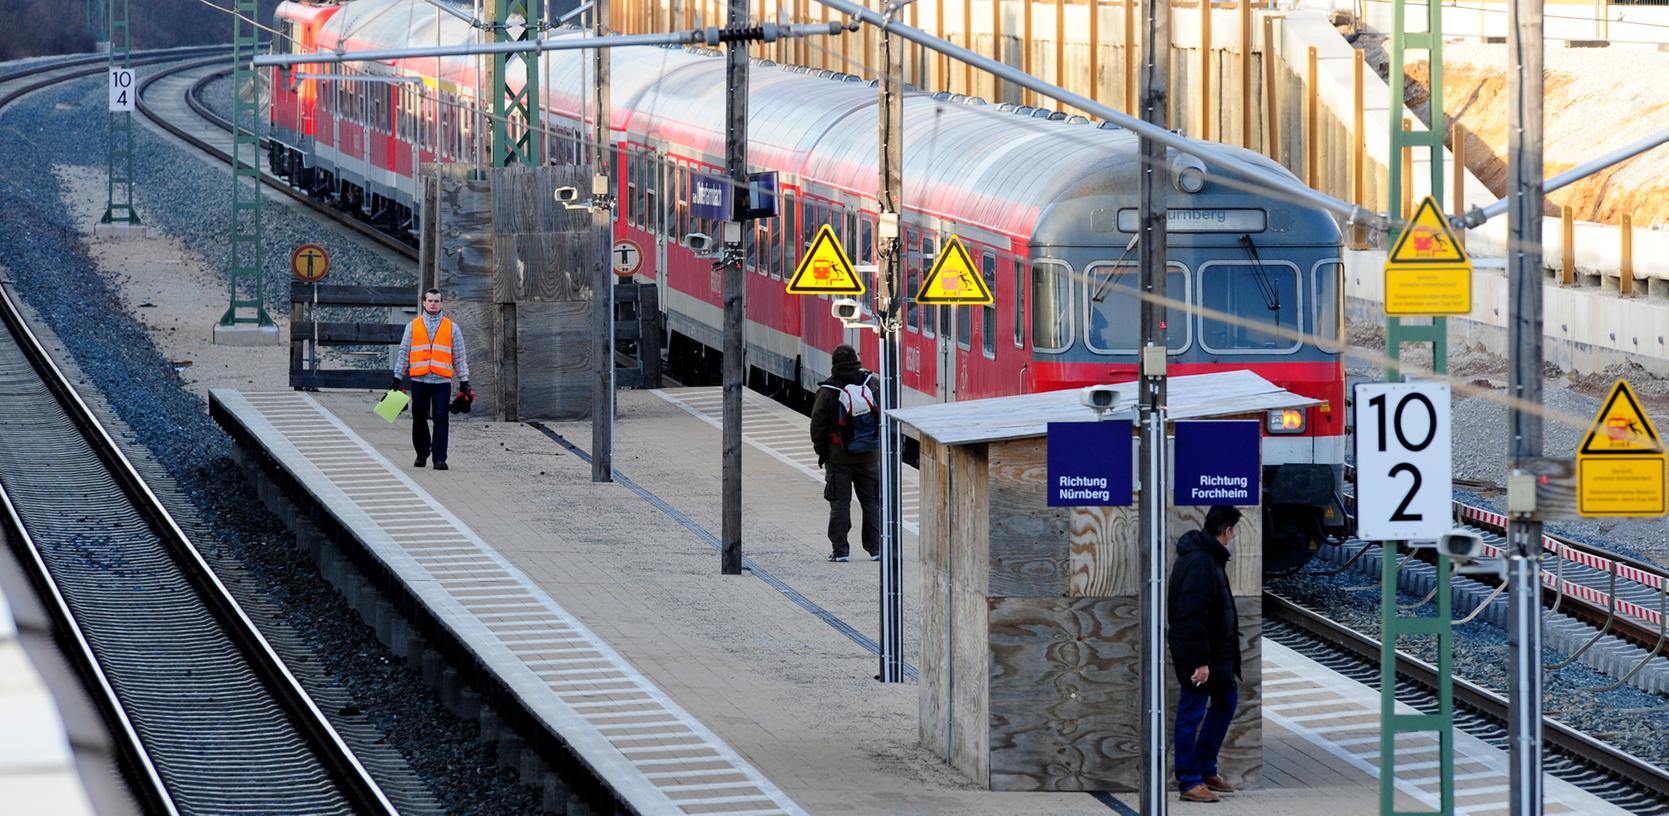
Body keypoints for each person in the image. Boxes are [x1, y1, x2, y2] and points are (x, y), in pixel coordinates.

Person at [1167, 504, 1244, 804]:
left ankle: (1205, 767)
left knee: (1226, 700)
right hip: (1201, 655)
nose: (1234, 535)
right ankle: (1189, 779)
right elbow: (1191, 615)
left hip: (1217, 654)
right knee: (1191, 711)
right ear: (1226, 531)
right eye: (1234, 530)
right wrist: (1200, 662)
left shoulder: (1208, 557)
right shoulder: (1200, 562)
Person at [809, 344, 880, 563]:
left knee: (840, 503)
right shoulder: (872, 384)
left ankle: (841, 551)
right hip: (868, 456)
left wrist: (823, 453)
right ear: (856, 361)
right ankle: (876, 548)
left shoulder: (828, 391)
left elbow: (817, 427)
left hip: (838, 457)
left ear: (834, 364)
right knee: (871, 502)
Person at [393, 288, 471, 471]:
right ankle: (422, 454)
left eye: (437, 301)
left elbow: (459, 356)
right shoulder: (413, 326)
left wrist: (464, 381)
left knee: (441, 419)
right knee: (418, 419)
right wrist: (397, 377)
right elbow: (404, 353)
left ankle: (440, 458)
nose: (433, 304)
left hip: (441, 382)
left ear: (441, 303)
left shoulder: (452, 328)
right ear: (424, 303)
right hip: (419, 380)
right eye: (430, 301)